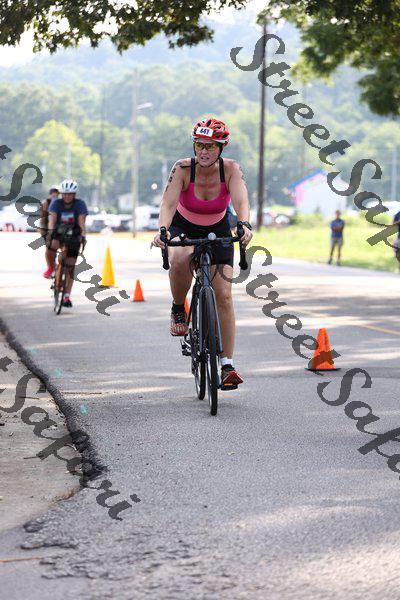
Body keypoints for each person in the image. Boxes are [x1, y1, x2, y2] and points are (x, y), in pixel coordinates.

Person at [152, 118, 253, 388]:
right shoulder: (183, 168)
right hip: (184, 225)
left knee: (224, 296)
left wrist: (244, 224)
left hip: (217, 226)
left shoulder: (231, 169)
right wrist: (163, 230)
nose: (203, 151)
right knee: (180, 258)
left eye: (210, 146)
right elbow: (168, 203)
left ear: (221, 148)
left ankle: (227, 365)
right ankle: (178, 308)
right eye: (199, 145)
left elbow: (241, 200)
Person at [45, 179, 88, 308]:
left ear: (74, 194)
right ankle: (51, 267)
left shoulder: (80, 204)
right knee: (51, 246)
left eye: (70, 194)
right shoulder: (56, 203)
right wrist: (50, 232)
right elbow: (52, 220)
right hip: (59, 232)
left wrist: (83, 235)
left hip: (74, 234)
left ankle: (66, 296)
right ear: (61, 194)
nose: (67, 196)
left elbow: (81, 222)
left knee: (70, 265)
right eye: (65, 194)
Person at [41, 185, 59, 276]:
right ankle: (50, 267)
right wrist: (44, 231)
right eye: (53, 192)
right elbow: (43, 218)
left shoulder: (61, 202)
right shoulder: (46, 202)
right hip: (48, 227)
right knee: (49, 248)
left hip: (59, 227)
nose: (54, 194)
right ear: (50, 194)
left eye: (56, 192)